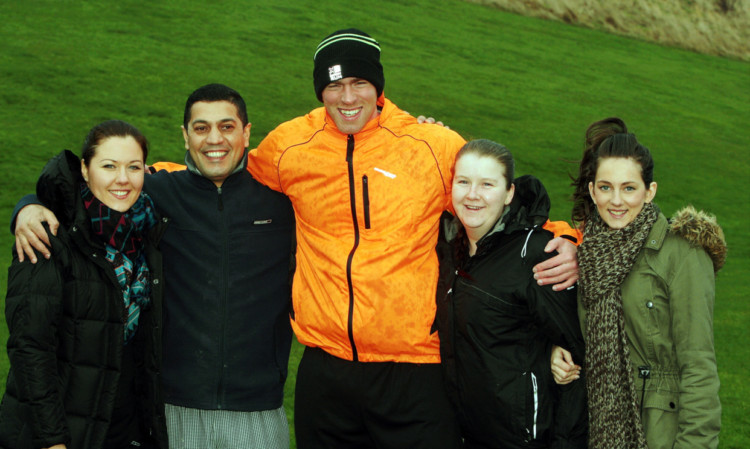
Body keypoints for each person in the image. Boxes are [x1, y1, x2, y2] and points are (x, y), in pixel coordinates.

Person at [247, 28, 580, 448]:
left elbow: (497, 200)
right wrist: (148, 178)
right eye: (334, 86)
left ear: (379, 87)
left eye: (359, 84)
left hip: (414, 368)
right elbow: (227, 179)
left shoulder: (429, 145)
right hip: (325, 367)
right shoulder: (290, 145)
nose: (347, 98)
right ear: (320, 91)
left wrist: (568, 238)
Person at [11, 84, 296, 449]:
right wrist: (29, 207)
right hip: (172, 409)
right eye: (201, 127)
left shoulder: (282, 201)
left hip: (258, 408)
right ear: (185, 135)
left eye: (226, 126)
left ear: (246, 132)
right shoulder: (157, 192)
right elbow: (88, 191)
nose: (214, 139)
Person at [552, 117, 725, 448]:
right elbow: (584, 336)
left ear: (650, 192)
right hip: (598, 427)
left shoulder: (683, 253)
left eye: (629, 188)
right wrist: (559, 353)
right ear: (592, 190)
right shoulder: (589, 255)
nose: (616, 201)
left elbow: (699, 368)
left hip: (662, 432)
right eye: (606, 187)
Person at [0, 120, 168, 449]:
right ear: (85, 169)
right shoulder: (47, 236)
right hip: (62, 433)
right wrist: (53, 441)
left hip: (122, 427)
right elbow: (30, 351)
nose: (123, 179)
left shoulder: (147, 231)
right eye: (109, 166)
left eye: (133, 167)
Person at [435, 139, 587, 448]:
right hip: (467, 433)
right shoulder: (451, 247)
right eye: (463, 182)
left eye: (487, 184)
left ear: (509, 194)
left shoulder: (538, 256)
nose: (473, 195)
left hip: (523, 439)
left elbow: (580, 356)